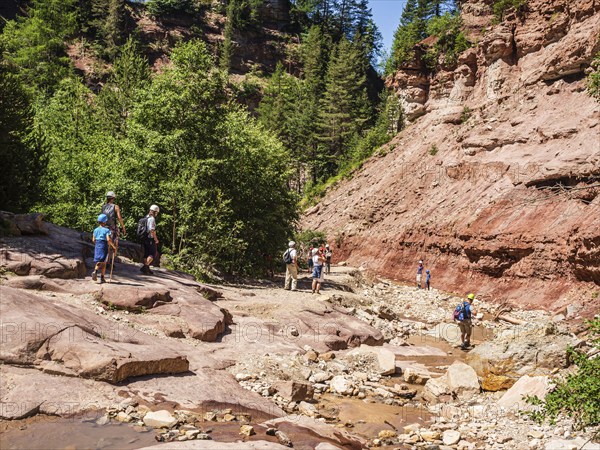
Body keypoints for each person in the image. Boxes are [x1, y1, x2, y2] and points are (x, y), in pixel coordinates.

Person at [92, 214, 117, 283]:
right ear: (104, 222)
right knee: (102, 260)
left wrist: (97, 244)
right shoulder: (106, 230)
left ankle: (102, 277)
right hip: (104, 245)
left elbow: (93, 240)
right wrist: (113, 246)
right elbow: (108, 239)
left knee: (103, 262)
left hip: (97, 244)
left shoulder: (95, 230)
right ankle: (95, 271)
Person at [101, 191, 126, 256]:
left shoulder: (103, 207)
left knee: (105, 243)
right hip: (112, 228)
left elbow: (102, 217)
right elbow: (119, 217)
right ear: (113, 198)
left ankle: (105, 259)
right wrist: (123, 227)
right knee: (114, 243)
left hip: (104, 227)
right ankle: (111, 259)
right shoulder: (116, 206)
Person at [141, 204, 160, 275]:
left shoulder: (146, 217)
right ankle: (145, 267)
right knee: (152, 253)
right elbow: (152, 230)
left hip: (145, 238)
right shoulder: (152, 219)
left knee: (146, 254)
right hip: (150, 238)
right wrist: (156, 239)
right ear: (155, 212)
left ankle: (147, 268)